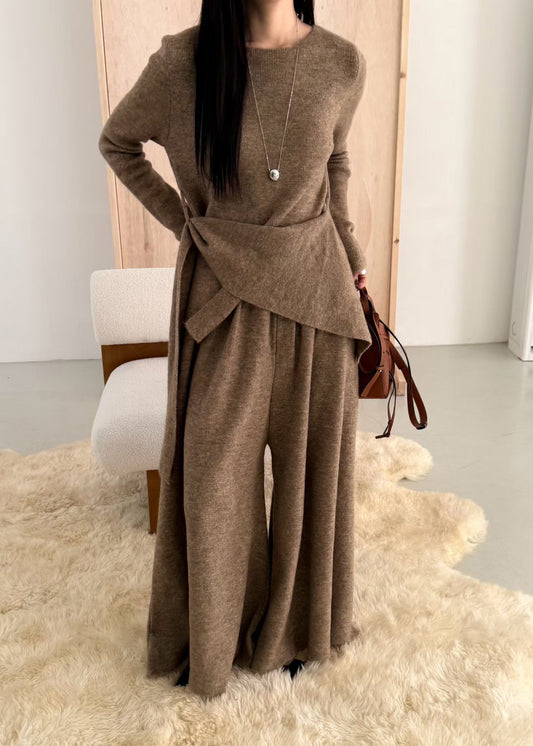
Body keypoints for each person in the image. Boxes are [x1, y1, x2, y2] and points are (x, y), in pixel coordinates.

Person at [98, 0, 372, 699]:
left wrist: (351, 251)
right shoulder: (182, 63)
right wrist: (186, 224)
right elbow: (118, 143)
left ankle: (295, 631)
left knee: (312, 482)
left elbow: (336, 162)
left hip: (316, 294)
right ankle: (214, 637)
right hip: (221, 301)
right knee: (215, 484)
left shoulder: (340, 62)